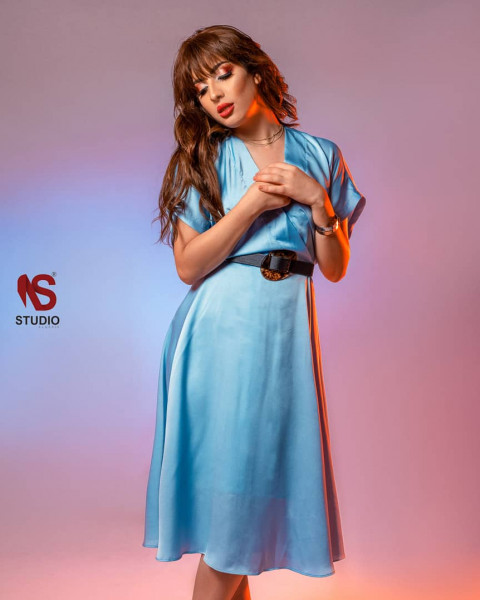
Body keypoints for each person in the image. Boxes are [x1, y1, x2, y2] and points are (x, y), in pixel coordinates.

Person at [142, 24, 367, 600]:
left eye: (223, 74)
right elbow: (189, 266)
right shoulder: (201, 159)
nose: (215, 94)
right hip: (221, 329)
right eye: (199, 90)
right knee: (234, 510)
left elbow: (334, 267)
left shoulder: (321, 155)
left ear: (255, 69)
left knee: (244, 505)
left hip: (287, 332)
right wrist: (249, 206)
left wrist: (318, 201)